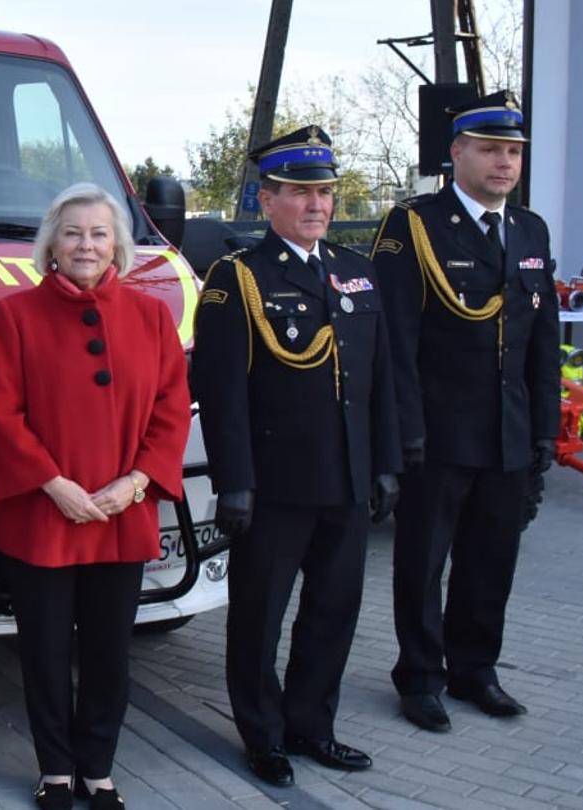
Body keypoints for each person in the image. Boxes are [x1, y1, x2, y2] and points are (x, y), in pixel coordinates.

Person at [193, 126, 401, 788]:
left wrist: (387, 461)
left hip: (345, 478)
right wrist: (234, 484)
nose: (316, 206)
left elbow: (382, 380)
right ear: (266, 198)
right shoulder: (239, 278)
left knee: (333, 613)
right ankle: (264, 734)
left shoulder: (357, 271)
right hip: (275, 484)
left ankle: (313, 725)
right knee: (259, 619)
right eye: (301, 193)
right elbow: (222, 393)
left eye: (325, 193)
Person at [0, 183, 190, 810]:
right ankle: (56, 771)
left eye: (99, 234)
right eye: (73, 233)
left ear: (117, 244)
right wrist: (55, 485)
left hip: (122, 514)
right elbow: (1, 414)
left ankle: (98, 768)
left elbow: (171, 409)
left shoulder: (152, 316)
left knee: (107, 653)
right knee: (43, 653)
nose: (86, 245)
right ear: (52, 243)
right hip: (45, 512)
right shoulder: (12, 316)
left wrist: (138, 481)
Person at [374, 91, 558, 732]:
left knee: (491, 559)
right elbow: (394, 340)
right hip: (438, 431)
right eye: (490, 149)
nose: (504, 162)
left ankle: (475, 669)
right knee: (423, 562)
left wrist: (544, 432)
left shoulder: (530, 230)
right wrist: (403, 433)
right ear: (458, 153)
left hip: (507, 432)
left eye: (513, 151)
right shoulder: (415, 227)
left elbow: (543, 344)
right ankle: (420, 676)